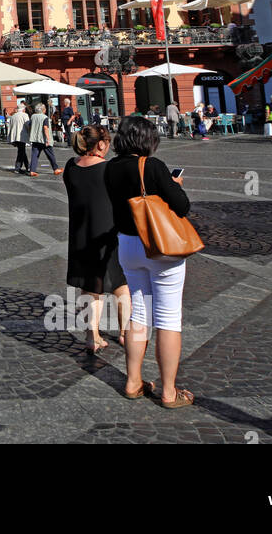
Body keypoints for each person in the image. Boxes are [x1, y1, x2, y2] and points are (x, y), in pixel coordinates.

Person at [104, 115, 193, 408]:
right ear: (147, 139)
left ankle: (133, 382)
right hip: (159, 246)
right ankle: (168, 392)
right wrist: (175, 184)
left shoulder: (111, 168)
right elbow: (181, 206)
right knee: (168, 318)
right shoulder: (152, 166)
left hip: (128, 245)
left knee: (138, 314)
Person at [63, 124, 130, 353]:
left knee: (91, 287)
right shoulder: (109, 169)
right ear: (101, 144)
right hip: (107, 233)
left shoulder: (70, 167)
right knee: (121, 285)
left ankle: (92, 337)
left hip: (80, 236)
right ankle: (123, 333)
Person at [27, 103, 63, 176]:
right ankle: (55, 169)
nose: (46, 110)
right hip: (43, 139)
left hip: (35, 139)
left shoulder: (33, 116)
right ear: (43, 110)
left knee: (34, 155)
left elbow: (29, 125)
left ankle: (32, 170)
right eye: (45, 109)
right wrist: (48, 139)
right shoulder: (44, 117)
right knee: (50, 155)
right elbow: (45, 128)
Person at [7, 104, 30, 174]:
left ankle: (28, 166)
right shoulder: (25, 115)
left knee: (22, 151)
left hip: (15, 136)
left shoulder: (13, 116)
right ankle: (17, 167)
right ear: (23, 109)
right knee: (21, 152)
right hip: (22, 136)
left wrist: (9, 138)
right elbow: (28, 125)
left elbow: (9, 127)